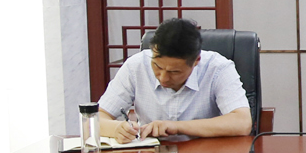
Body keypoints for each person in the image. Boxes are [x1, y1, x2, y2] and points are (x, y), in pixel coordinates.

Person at [99, 17, 252, 141]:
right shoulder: (136, 66)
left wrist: (176, 126)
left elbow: (242, 122)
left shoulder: (218, 68)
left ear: (196, 61)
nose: (163, 78)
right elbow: (95, 118)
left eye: (174, 72)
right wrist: (116, 129)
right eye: (157, 66)